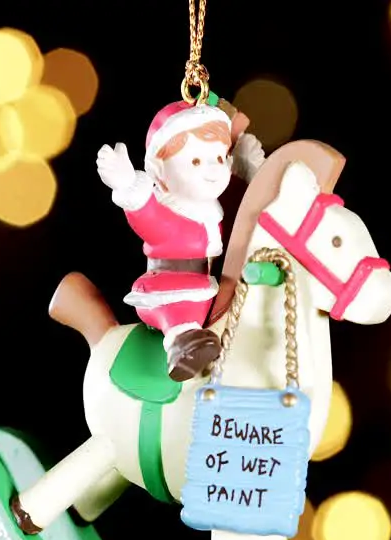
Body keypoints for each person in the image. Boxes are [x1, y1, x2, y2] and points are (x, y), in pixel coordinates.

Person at [96, 100, 266, 381]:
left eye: (219, 158)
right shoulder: (170, 214)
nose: (212, 169)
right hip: (169, 285)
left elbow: (243, 210)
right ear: (161, 174)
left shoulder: (210, 206)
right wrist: (128, 186)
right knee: (183, 310)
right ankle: (181, 346)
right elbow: (146, 215)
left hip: (207, 281)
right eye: (196, 161)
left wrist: (248, 170)